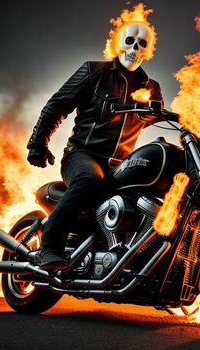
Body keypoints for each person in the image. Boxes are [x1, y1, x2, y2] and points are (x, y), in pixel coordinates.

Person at [27, 21, 163, 270]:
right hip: (82, 155)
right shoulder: (94, 72)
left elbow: (165, 116)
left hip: (120, 164)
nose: (134, 47)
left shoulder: (151, 89)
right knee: (90, 180)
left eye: (142, 43)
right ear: (117, 42)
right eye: (130, 40)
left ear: (148, 50)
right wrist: (38, 143)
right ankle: (49, 245)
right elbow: (58, 105)